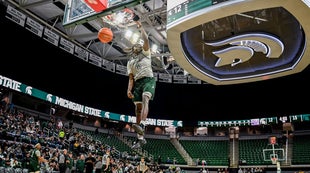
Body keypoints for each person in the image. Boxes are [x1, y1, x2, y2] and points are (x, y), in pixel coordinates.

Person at [126, 17, 156, 149]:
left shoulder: (146, 53)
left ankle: (143, 124)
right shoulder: (130, 63)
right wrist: (128, 90)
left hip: (148, 79)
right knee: (137, 110)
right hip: (137, 83)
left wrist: (140, 25)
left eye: (139, 44)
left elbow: (146, 39)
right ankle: (140, 138)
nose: (138, 45)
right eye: (136, 45)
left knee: (145, 98)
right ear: (133, 49)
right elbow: (131, 78)